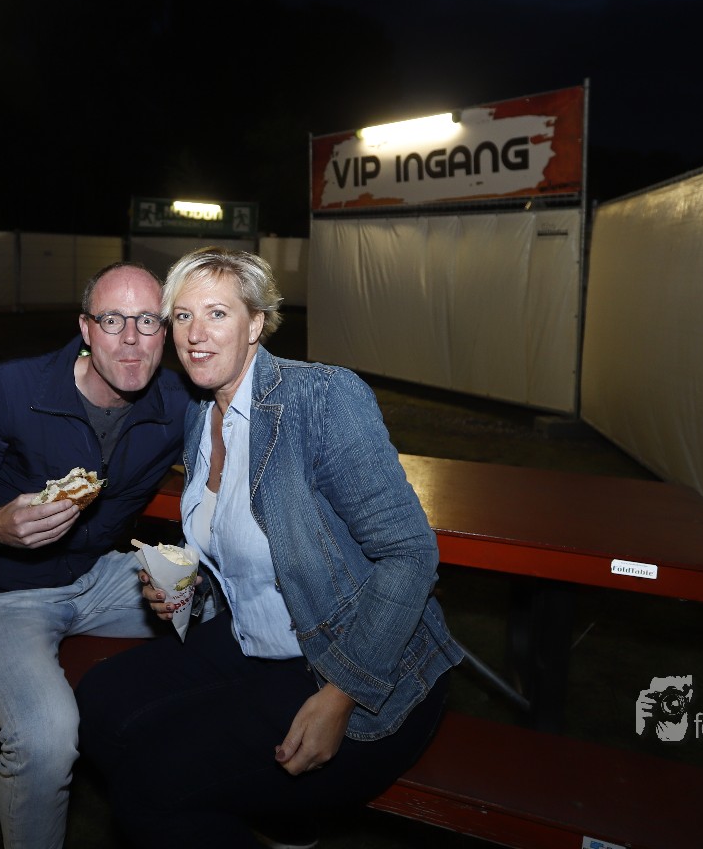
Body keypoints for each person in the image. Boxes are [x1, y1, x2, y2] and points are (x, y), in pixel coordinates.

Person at [76, 248, 463, 848]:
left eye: (217, 314)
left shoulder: (320, 400)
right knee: (99, 705)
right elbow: (235, 557)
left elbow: (410, 555)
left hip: (353, 660)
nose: (195, 335)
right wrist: (186, 589)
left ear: (256, 323)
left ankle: (272, 819)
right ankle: (272, 819)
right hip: (252, 641)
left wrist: (341, 692)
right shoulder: (200, 415)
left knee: (148, 789)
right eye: (182, 317)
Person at [0, 261, 192, 849]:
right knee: (45, 738)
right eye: (113, 319)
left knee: (232, 600)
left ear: (166, 332)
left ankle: (256, 784)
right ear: (86, 329)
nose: (130, 339)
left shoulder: (177, 405)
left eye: (147, 321)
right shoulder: (15, 389)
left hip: (101, 578)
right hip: (3, 595)